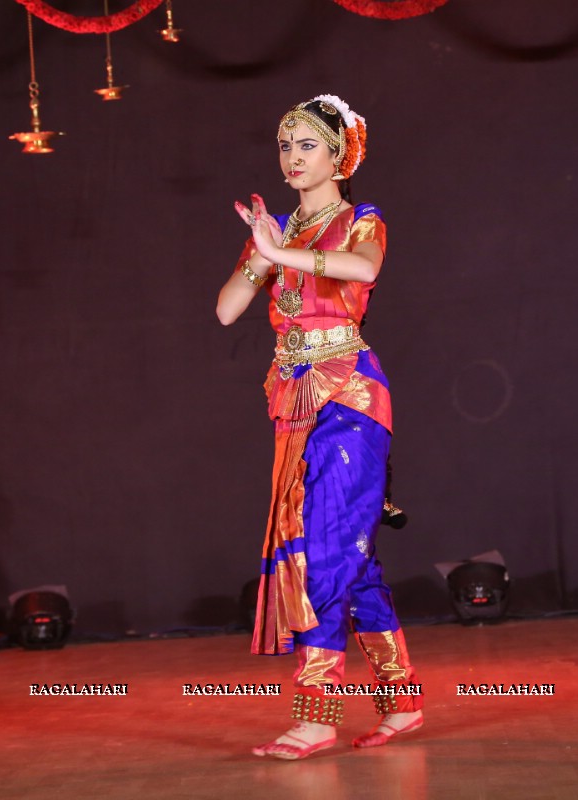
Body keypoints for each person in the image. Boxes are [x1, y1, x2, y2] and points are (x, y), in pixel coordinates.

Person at [216, 95, 423, 760]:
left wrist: (286, 252)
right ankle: (402, 701)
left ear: (340, 155)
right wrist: (261, 251)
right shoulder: (280, 235)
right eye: (286, 147)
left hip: (351, 400)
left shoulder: (363, 220)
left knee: (327, 553)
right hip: (293, 405)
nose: (294, 158)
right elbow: (226, 312)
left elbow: (363, 271)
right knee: (352, 562)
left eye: (308, 145)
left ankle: (316, 713)